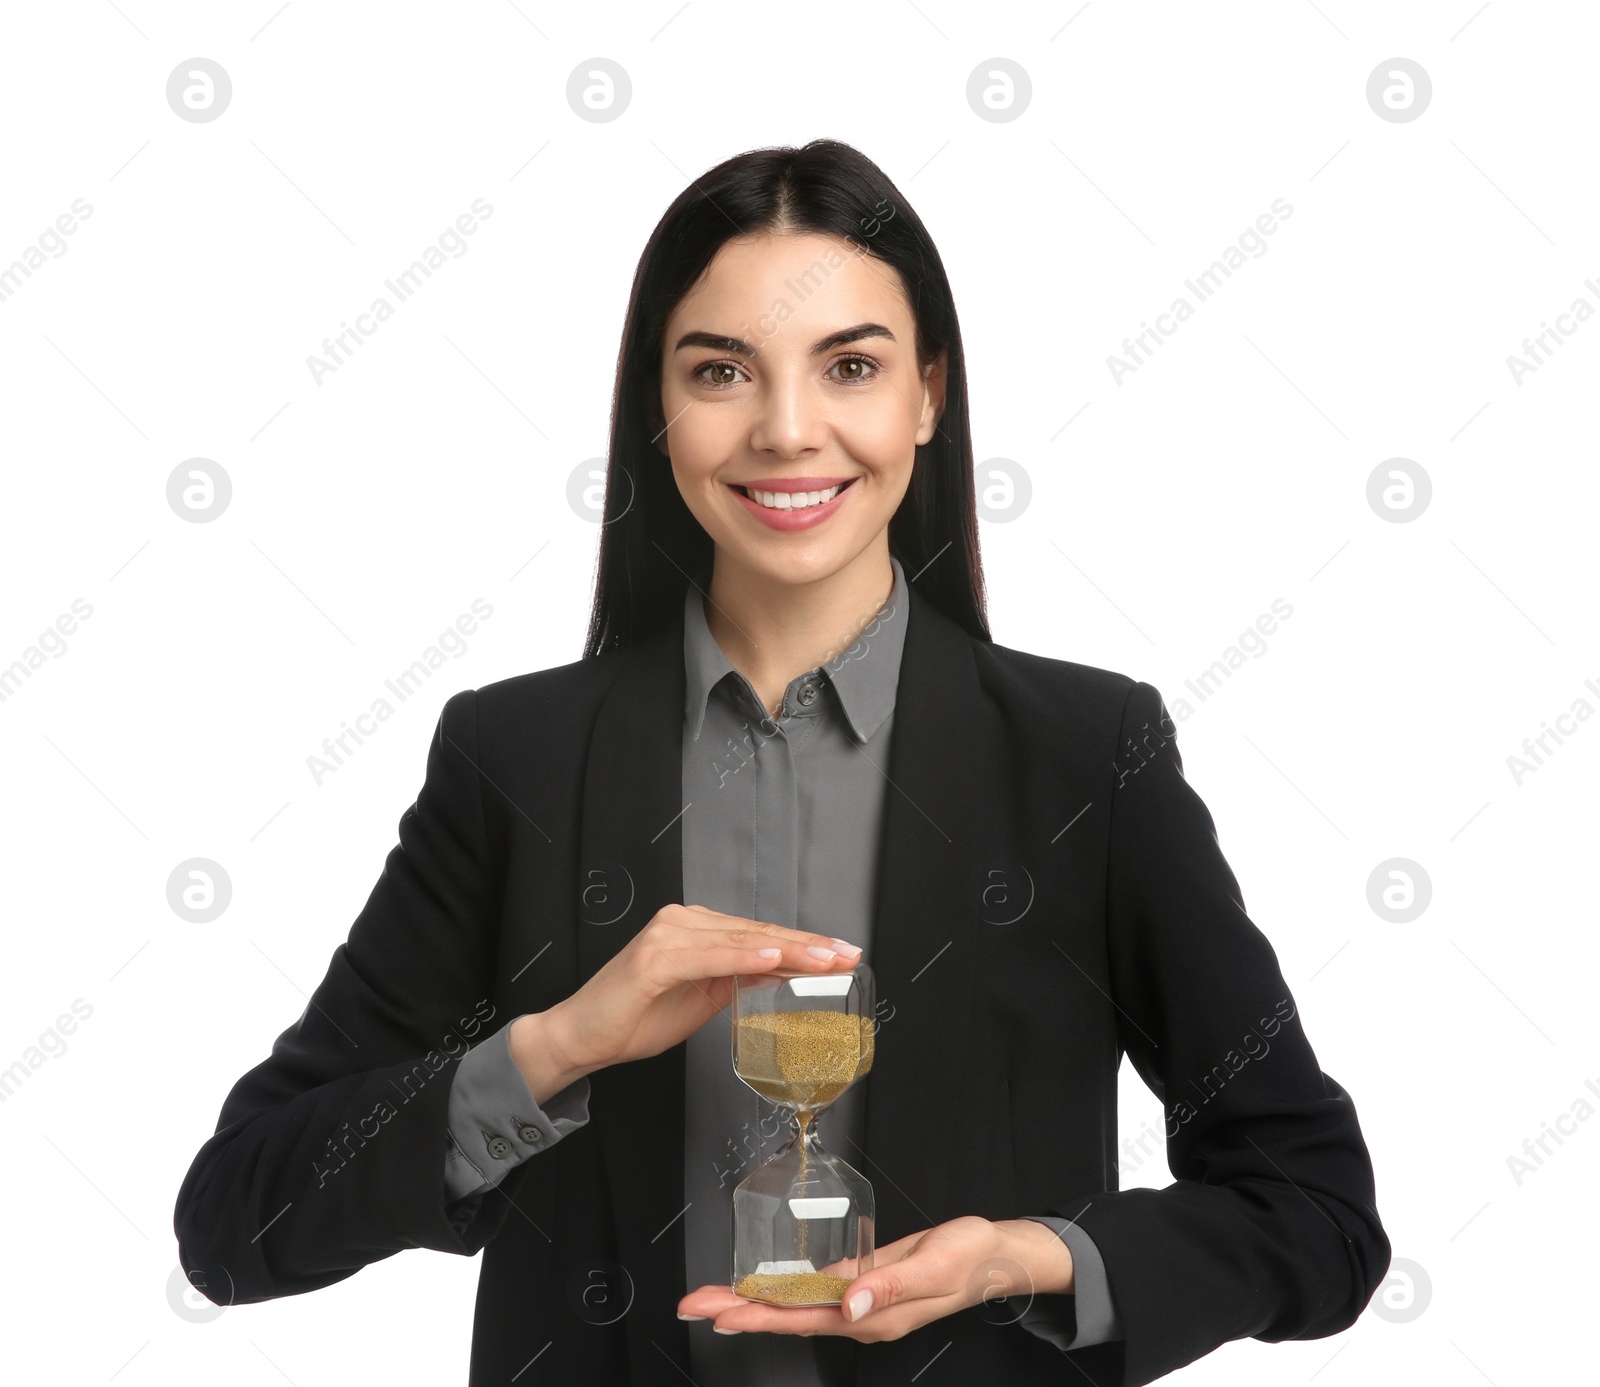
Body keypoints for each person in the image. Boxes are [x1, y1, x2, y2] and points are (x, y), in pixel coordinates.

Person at [174, 139, 1390, 1386]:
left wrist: (1030, 1258)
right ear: (656, 407)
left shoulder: (1086, 757)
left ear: (927, 395)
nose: (787, 429)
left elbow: (1317, 1216)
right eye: (721, 372)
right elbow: (232, 1226)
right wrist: (556, 1047)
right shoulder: (514, 761)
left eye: (849, 366)